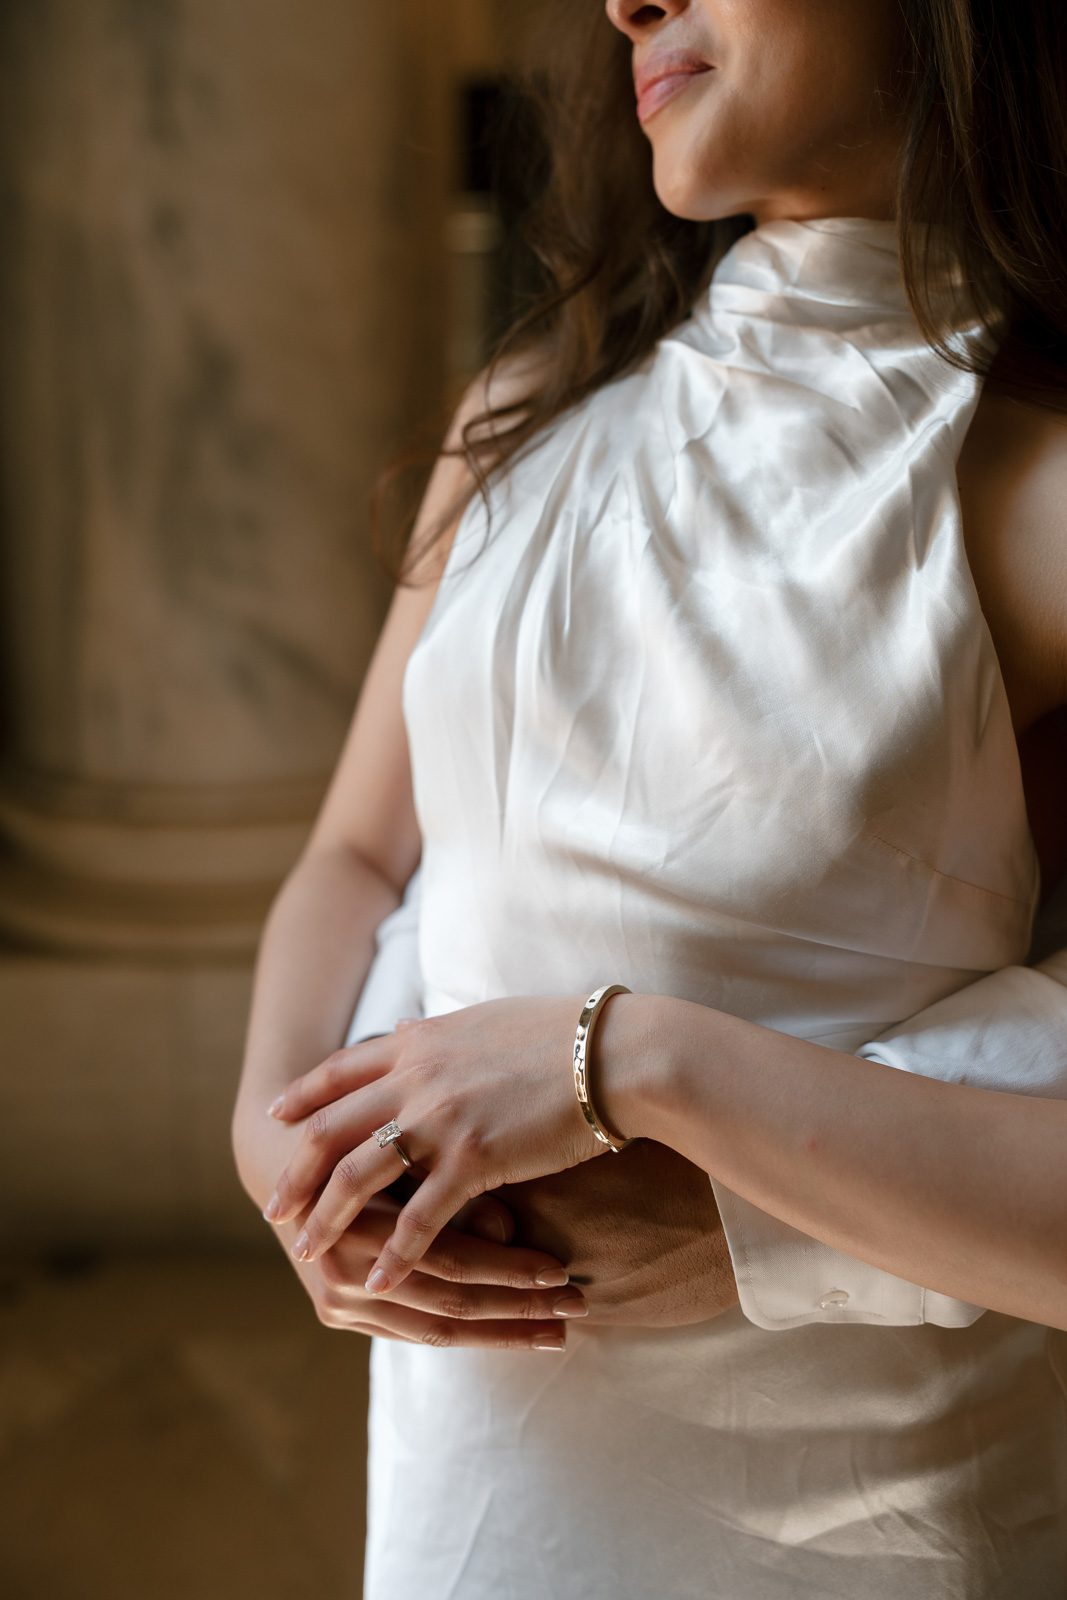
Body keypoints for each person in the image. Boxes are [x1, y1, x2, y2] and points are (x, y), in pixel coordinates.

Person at [231, 1, 1067, 1595]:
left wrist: (632, 1061)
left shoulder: (1024, 493)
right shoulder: (531, 407)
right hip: (473, 1490)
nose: (630, 0)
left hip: (858, 1514)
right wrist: (270, 1137)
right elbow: (354, 853)